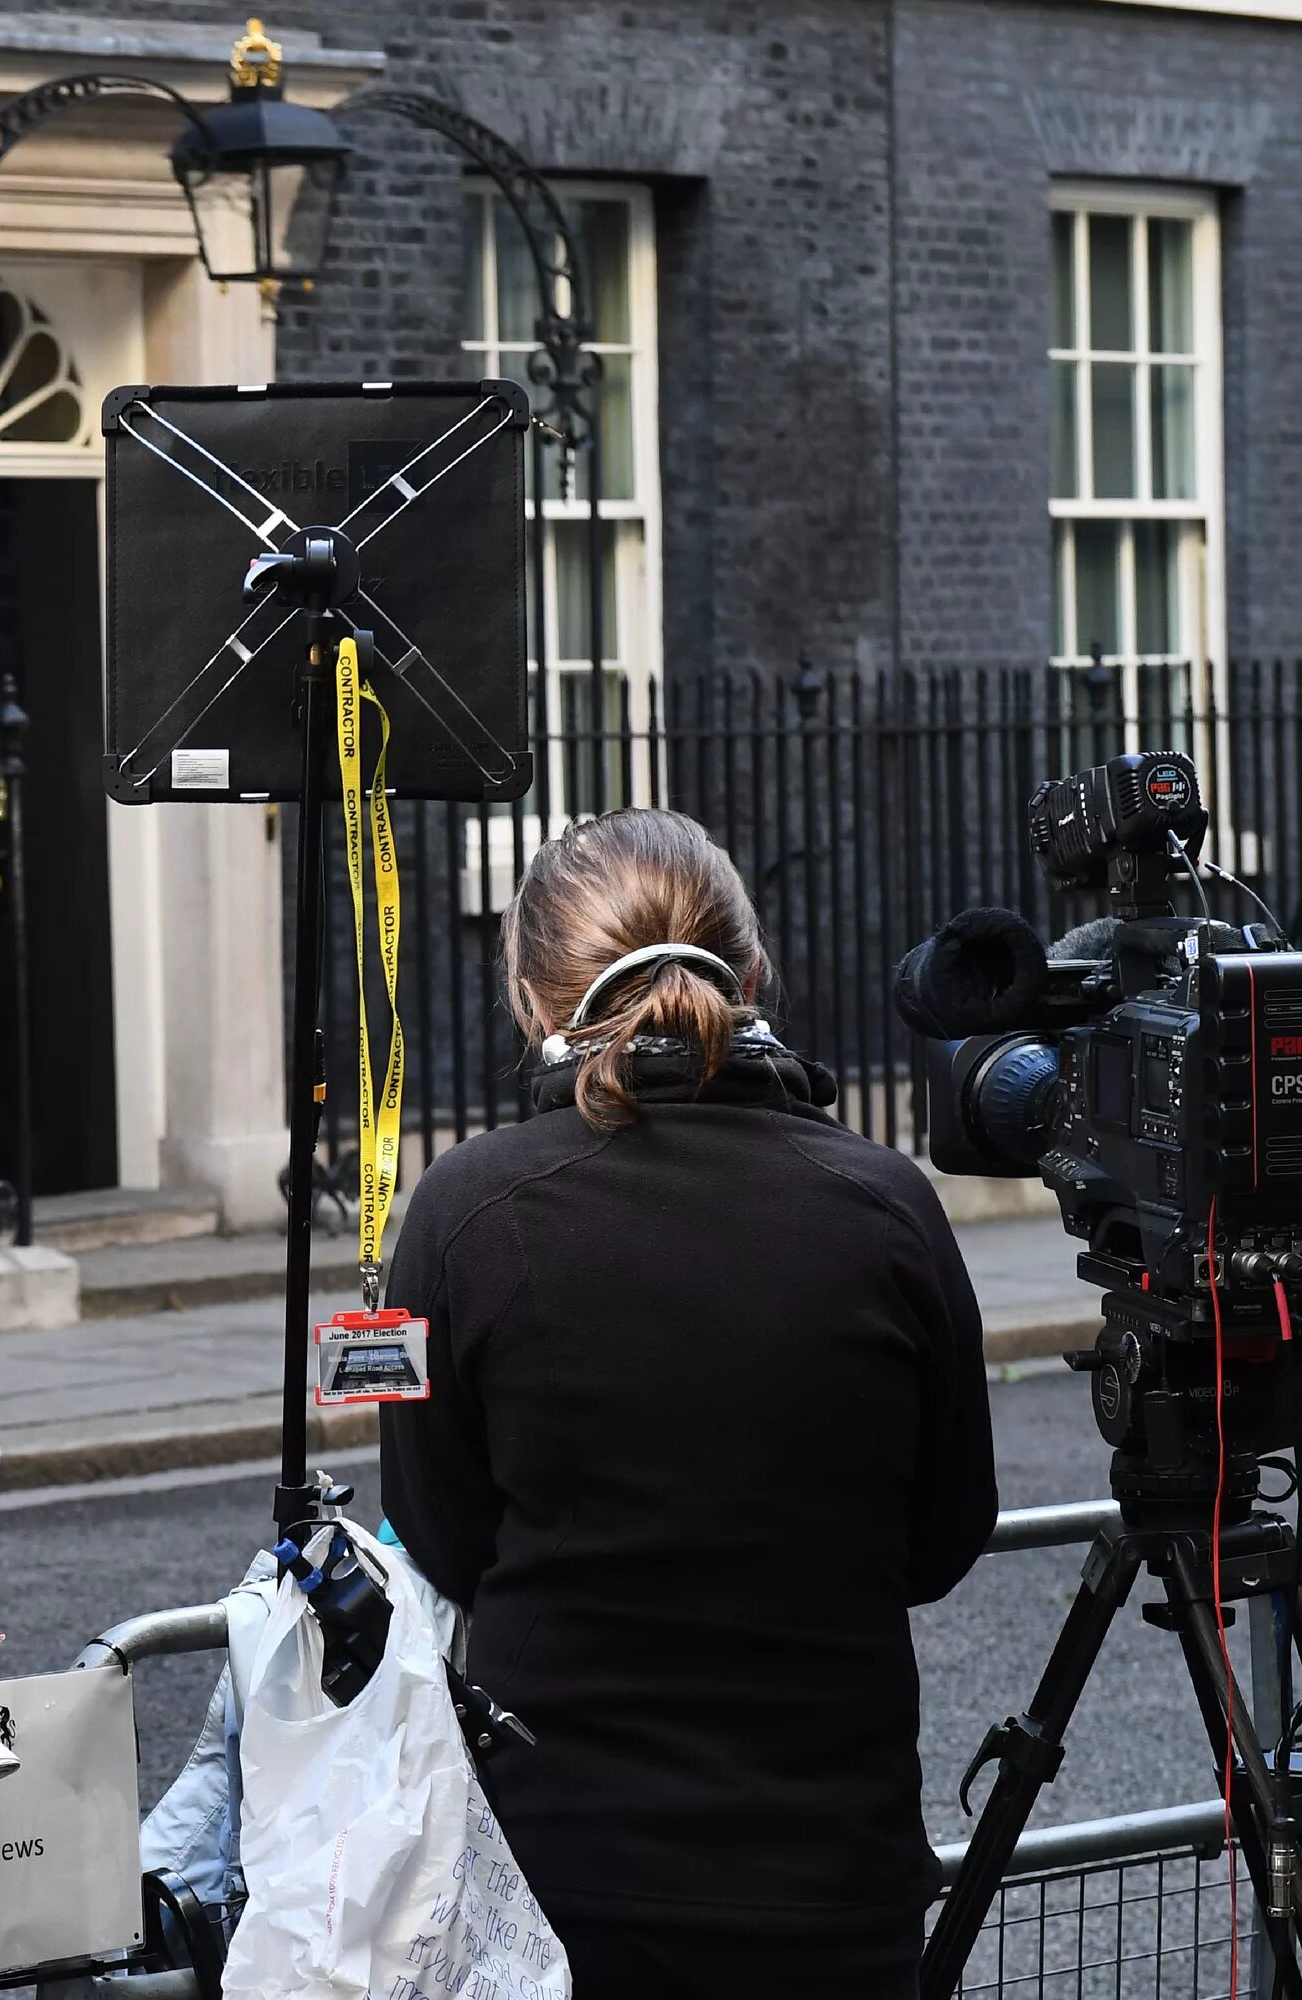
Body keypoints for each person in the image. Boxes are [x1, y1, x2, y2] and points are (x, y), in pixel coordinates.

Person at [376, 809, 996, 1999]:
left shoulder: (463, 1210)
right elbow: (944, 1534)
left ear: (529, 997)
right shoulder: (884, 1204)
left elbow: (442, 1535)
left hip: (564, 1878)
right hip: (832, 1873)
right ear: (754, 973)